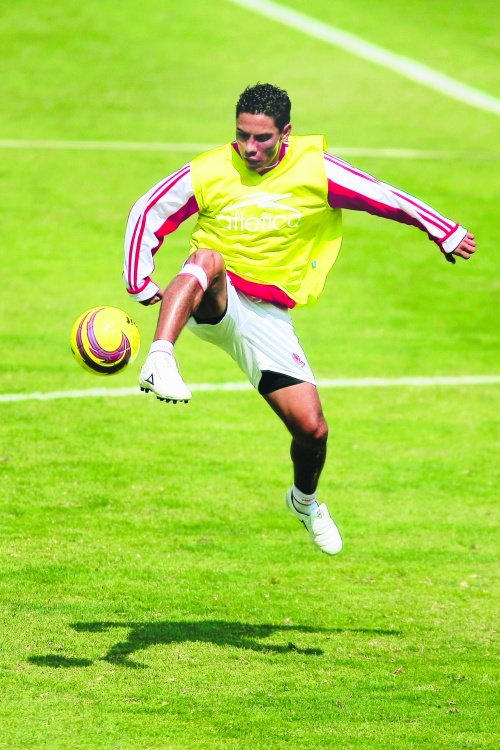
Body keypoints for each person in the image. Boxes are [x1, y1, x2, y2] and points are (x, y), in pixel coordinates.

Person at [123, 83, 476, 556]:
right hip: (214, 294)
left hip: (267, 317)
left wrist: (442, 230)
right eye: (242, 135)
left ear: (285, 133)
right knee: (208, 258)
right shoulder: (211, 169)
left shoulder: (315, 171)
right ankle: (161, 358)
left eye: (262, 138)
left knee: (313, 430)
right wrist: (139, 279)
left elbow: (382, 195)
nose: (249, 148)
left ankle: (304, 503)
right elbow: (148, 209)